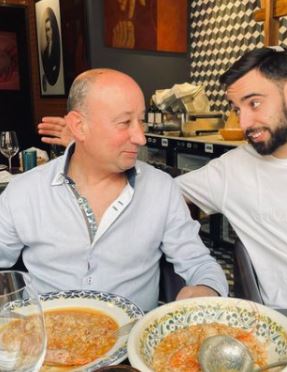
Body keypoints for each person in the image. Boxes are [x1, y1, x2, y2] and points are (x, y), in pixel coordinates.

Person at [37, 48, 287, 309]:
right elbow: (151, 192)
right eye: (237, 108)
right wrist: (90, 149)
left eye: (254, 103)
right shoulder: (233, 169)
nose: (246, 122)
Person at [0, 68, 228, 312]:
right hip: (45, 341)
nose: (141, 137)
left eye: (140, 121)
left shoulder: (161, 189)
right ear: (79, 126)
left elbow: (199, 263)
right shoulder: (24, 191)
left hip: (132, 341)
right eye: (124, 123)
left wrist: (206, 288)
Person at [41, 7, 61, 87]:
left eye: (50, 29)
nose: (49, 33)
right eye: (47, 30)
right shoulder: (45, 51)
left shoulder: (57, 49)